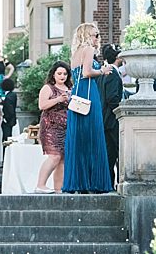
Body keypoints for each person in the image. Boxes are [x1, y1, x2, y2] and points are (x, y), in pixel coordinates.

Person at [63, 23, 113, 194]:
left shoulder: (75, 53)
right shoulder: (89, 49)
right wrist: (103, 70)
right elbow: (87, 73)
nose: (97, 38)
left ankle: (79, 182)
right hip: (88, 94)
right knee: (93, 136)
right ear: (88, 36)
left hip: (77, 95)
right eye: (95, 35)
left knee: (79, 138)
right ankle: (95, 183)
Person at [35, 60, 72, 194]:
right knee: (54, 156)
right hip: (50, 128)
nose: (62, 76)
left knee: (62, 159)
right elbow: (42, 105)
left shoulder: (70, 89)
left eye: (65, 74)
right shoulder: (48, 88)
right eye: (59, 73)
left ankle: (59, 189)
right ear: (53, 75)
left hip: (66, 129)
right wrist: (58, 99)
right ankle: (40, 185)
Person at [95, 44, 123, 187]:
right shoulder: (112, 72)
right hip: (112, 120)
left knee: (109, 155)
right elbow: (112, 98)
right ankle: (116, 183)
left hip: (105, 119)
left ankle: (108, 184)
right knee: (117, 153)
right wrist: (121, 112)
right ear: (118, 57)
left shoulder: (105, 72)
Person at [0, 77, 18, 147]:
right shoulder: (13, 95)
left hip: (8, 121)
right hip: (12, 120)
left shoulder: (8, 97)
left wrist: (5, 119)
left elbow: (9, 110)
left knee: (6, 139)